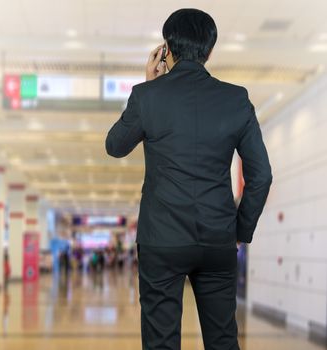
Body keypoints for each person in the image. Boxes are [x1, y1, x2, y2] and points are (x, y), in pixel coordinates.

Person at [105, 8, 272, 350]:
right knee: (223, 338)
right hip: (217, 238)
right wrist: (240, 231)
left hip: (162, 239)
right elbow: (262, 176)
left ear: (166, 49)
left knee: (161, 342)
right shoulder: (236, 99)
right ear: (210, 51)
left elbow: (115, 146)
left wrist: (150, 85)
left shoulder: (146, 96)